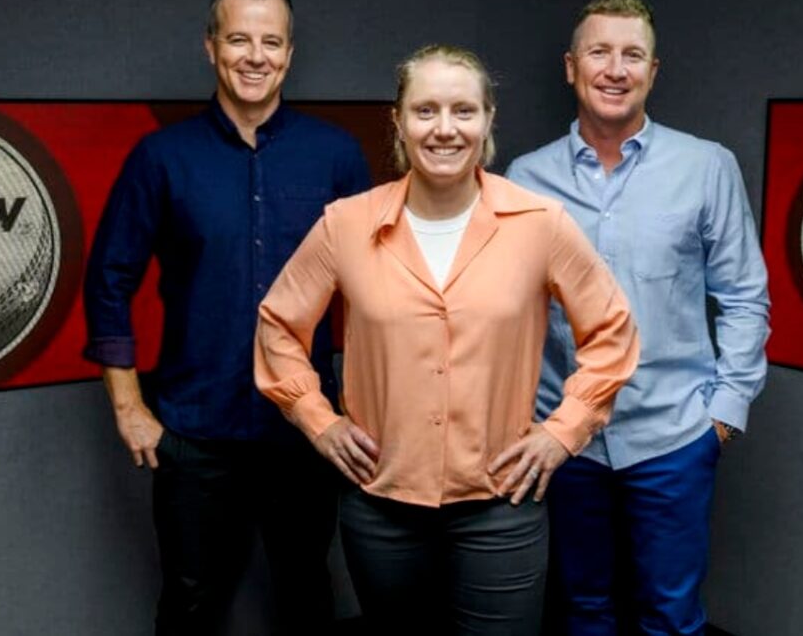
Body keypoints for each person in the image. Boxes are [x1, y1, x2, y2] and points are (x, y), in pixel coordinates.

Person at [254, 44, 639, 635]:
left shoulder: (541, 223)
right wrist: (317, 419)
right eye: (425, 110)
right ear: (400, 122)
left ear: (487, 120)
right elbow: (279, 325)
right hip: (381, 505)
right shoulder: (346, 224)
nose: (444, 129)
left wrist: (565, 432)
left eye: (463, 111)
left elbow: (612, 330)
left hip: (501, 507)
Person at [82, 0, 371, 636]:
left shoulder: (335, 156)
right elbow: (108, 281)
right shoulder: (161, 157)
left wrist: (356, 399)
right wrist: (129, 408)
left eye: (270, 41)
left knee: (306, 594)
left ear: (290, 54)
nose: (255, 55)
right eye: (239, 38)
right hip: (193, 431)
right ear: (211, 47)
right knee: (189, 604)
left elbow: (369, 291)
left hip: (304, 432)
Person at [506, 0, 771, 635]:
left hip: (674, 437)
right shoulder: (523, 178)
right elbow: (507, 312)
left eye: (633, 55)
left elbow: (744, 295)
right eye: (600, 52)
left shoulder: (706, 167)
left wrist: (722, 415)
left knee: (670, 616)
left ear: (653, 72)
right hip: (564, 441)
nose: (615, 69)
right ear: (572, 66)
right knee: (582, 608)